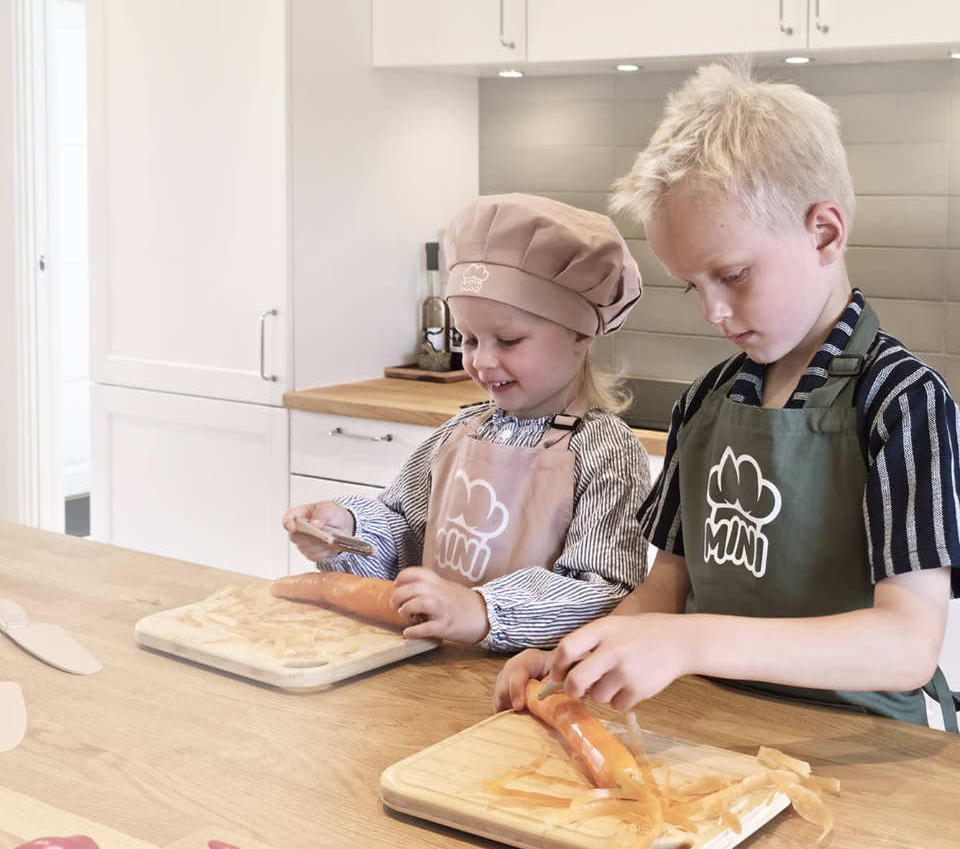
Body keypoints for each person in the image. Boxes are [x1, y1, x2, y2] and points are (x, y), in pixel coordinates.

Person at [494, 63, 960, 730]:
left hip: (859, 748)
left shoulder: (903, 401)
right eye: (694, 285)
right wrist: (572, 659)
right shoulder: (706, 401)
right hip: (708, 730)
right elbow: (664, 590)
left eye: (733, 275)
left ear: (824, 233)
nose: (712, 311)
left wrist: (693, 641)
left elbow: (907, 645)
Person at [283, 192, 651, 651]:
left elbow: (604, 592)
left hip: (535, 680)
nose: (482, 360)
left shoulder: (607, 452)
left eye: (508, 340)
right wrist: (347, 532)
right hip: (431, 668)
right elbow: (402, 538)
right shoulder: (459, 432)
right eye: (470, 339)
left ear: (581, 335)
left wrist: (482, 610)